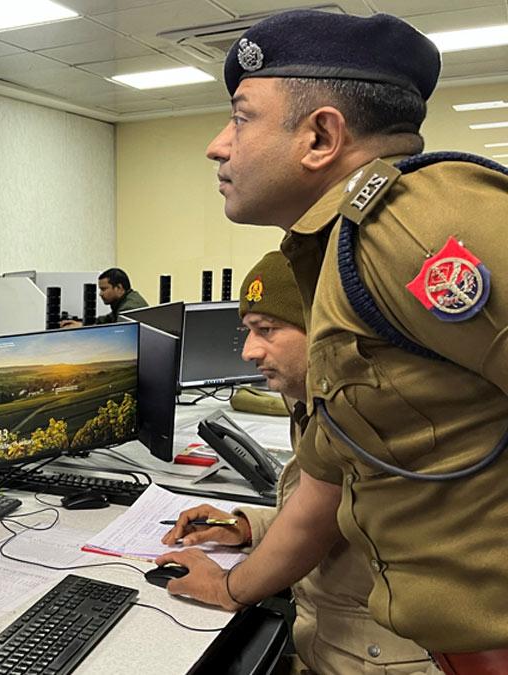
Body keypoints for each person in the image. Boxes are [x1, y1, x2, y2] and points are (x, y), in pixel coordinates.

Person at [157, 10, 508, 671]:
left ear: (320, 136)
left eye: (240, 116)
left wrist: (232, 584)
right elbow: (330, 473)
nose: (218, 144)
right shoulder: (336, 252)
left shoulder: (417, 226)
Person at [161, 251, 432, 674]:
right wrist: (244, 526)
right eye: (248, 331)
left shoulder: (362, 411)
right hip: (333, 640)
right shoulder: (313, 402)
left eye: (266, 330)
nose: (249, 351)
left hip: (375, 659)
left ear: (323, 330)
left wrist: (224, 587)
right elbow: (339, 519)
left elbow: (314, 525)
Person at [60, 268, 147, 327]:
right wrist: (82, 324)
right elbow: (106, 320)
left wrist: (82, 328)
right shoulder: (124, 301)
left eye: (104, 289)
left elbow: (117, 335)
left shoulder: (129, 308)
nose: (100, 294)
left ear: (119, 288)